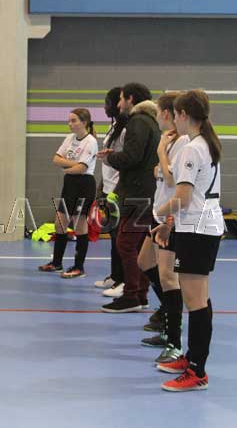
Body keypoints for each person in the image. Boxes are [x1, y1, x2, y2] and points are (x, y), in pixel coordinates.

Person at [152, 89, 222, 392]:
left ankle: (197, 371)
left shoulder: (193, 148)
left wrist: (160, 211)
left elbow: (182, 197)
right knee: (199, 299)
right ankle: (192, 358)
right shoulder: (206, 143)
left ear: (182, 115)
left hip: (197, 228)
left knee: (196, 302)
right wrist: (170, 225)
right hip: (199, 226)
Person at [98, 83, 161, 313]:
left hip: (137, 194)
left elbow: (132, 157)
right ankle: (140, 295)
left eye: (121, 99)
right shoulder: (150, 122)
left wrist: (110, 158)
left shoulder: (138, 121)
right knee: (141, 247)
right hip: (144, 193)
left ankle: (132, 295)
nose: (118, 104)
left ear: (131, 99)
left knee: (125, 244)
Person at [136, 91, 189, 355]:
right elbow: (162, 173)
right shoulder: (169, 140)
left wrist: (160, 153)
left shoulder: (181, 142)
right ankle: (168, 310)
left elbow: (171, 178)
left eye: (157, 112)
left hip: (171, 216)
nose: (156, 116)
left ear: (167, 114)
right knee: (145, 262)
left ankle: (172, 334)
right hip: (159, 212)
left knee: (169, 276)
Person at [38, 109, 98, 279]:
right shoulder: (70, 138)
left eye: (74, 120)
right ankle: (56, 263)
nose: (70, 124)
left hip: (84, 185)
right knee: (60, 224)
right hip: (70, 184)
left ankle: (79, 267)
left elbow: (82, 169)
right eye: (69, 120)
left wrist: (68, 167)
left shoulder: (91, 141)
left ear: (84, 122)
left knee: (79, 225)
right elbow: (56, 159)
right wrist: (73, 164)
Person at [94, 87, 126, 297]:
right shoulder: (113, 127)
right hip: (107, 188)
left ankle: (124, 280)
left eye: (107, 103)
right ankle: (115, 276)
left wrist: (116, 191)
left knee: (121, 239)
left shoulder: (125, 130)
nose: (105, 107)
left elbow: (126, 161)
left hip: (118, 191)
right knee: (113, 237)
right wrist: (102, 190)